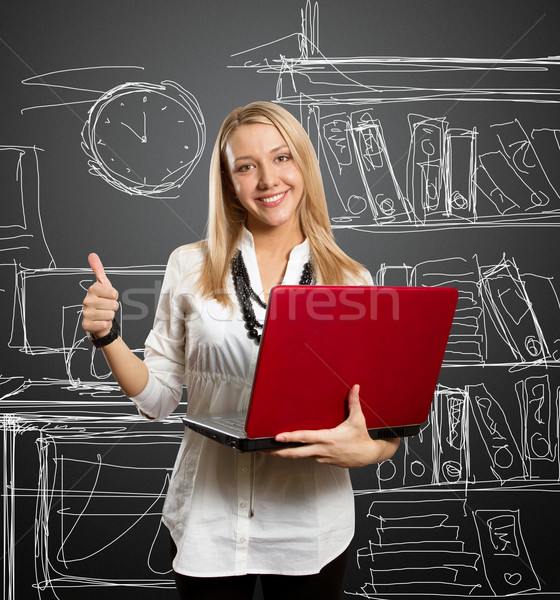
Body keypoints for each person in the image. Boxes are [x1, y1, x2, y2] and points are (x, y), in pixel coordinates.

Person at [82, 101, 400, 600]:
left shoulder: (352, 280)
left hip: (310, 530)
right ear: (230, 182)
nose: (267, 179)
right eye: (246, 166)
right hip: (208, 522)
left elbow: (379, 423)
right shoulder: (189, 264)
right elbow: (159, 398)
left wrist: (371, 451)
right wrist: (108, 337)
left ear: (303, 165)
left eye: (281, 158)